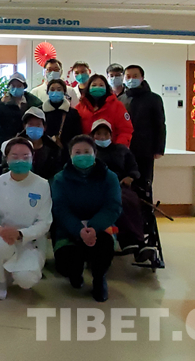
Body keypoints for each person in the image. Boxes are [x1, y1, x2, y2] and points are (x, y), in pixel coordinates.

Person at [51, 135, 122, 302]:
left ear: (95, 154)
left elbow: (113, 206)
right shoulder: (60, 179)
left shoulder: (109, 177)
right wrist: (78, 229)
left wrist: (93, 227)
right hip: (69, 229)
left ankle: (99, 279)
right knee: (65, 261)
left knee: (104, 246)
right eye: (77, 152)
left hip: (99, 228)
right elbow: (60, 209)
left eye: (87, 152)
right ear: (70, 155)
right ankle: (75, 274)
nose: (82, 155)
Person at [0, 137, 53, 300]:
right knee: (0, 244)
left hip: (30, 241)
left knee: (26, 280)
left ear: (32, 158)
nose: (20, 160)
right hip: (3, 237)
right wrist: (0, 230)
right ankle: (0, 278)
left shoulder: (42, 184)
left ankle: (15, 271)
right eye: (14, 156)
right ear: (7, 159)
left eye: (25, 156)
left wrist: (21, 234)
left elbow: (44, 222)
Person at [90, 120, 152, 262]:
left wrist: (130, 177)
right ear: (92, 136)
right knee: (117, 201)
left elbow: (134, 168)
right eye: (98, 134)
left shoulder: (122, 151)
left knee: (129, 200)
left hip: (121, 185)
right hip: (100, 187)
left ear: (111, 136)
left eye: (105, 134)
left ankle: (138, 243)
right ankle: (130, 240)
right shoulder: (89, 152)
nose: (102, 137)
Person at [119, 65, 166, 194]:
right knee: (125, 184)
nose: (131, 79)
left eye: (135, 76)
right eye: (128, 76)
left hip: (145, 149)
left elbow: (160, 124)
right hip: (124, 149)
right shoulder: (121, 99)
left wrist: (159, 149)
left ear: (142, 78)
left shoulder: (153, 99)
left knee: (144, 184)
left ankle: (145, 207)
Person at [75, 74, 133, 147]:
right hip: (86, 150)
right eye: (94, 85)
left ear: (106, 88)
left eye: (101, 85)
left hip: (112, 149)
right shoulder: (80, 107)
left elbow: (125, 130)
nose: (97, 87)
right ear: (88, 88)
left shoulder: (117, 106)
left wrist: (119, 149)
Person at [0, 72, 42, 147]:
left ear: (24, 87)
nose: (16, 88)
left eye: (19, 86)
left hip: (26, 138)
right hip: (6, 139)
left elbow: (39, 110)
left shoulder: (31, 100)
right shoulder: (3, 102)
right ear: (9, 87)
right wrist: (1, 104)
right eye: (13, 86)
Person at [17, 107, 63, 181]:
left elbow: (56, 174)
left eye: (38, 125)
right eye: (31, 124)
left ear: (44, 127)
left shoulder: (53, 149)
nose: (34, 128)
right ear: (24, 126)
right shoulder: (15, 146)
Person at [41, 79, 83, 151]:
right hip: (44, 151)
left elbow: (77, 135)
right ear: (47, 92)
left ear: (64, 92)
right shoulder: (40, 112)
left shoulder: (72, 113)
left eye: (59, 89)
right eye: (52, 89)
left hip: (67, 151)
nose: (55, 92)